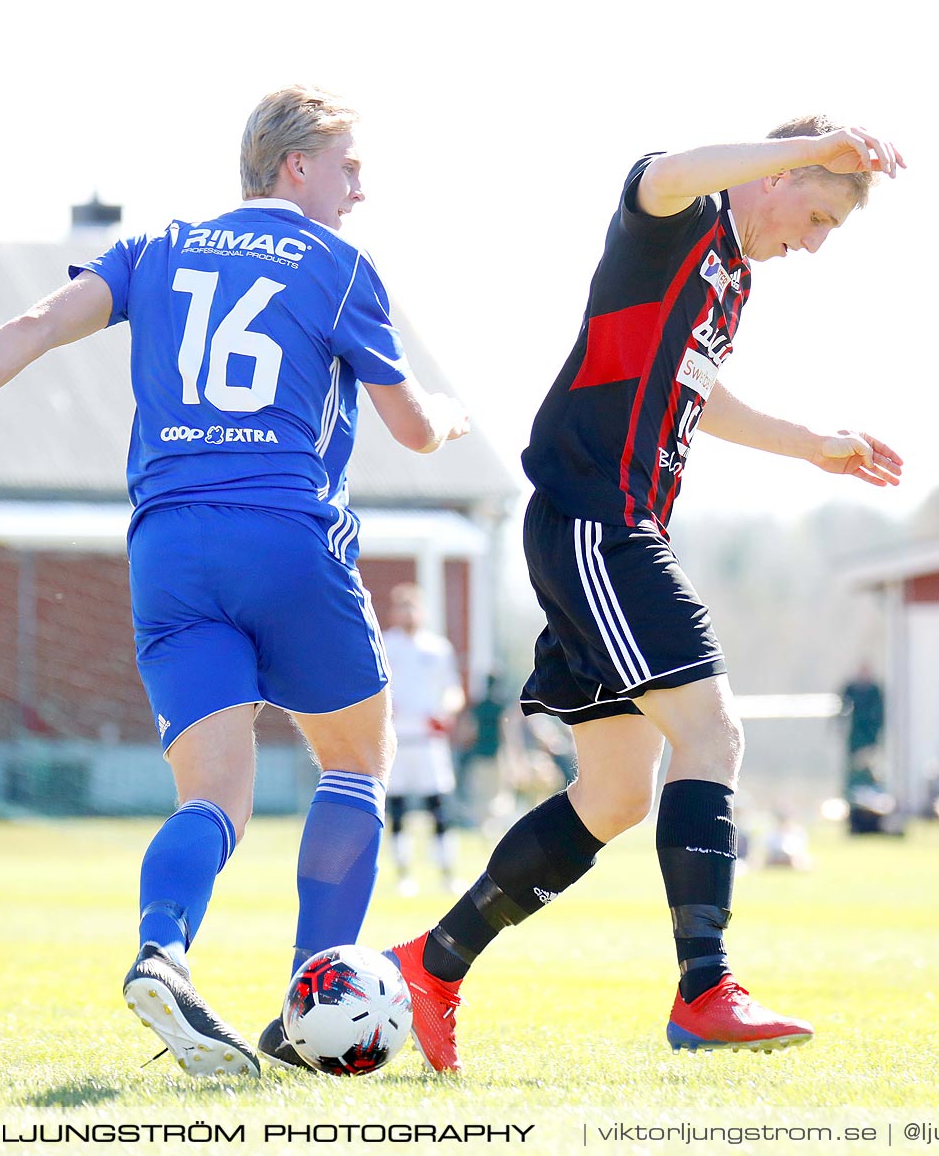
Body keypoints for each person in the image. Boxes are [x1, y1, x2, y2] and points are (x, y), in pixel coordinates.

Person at [0, 85, 469, 1077]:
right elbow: (409, 429)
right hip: (284, 532)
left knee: (214, 799)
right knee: (356, 760)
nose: (360, 187)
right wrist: (448, 417)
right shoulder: (340, 265)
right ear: (294, 165)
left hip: (168, 548)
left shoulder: (159, 246)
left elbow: (36, 322)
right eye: (347, 165)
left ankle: (165, 950)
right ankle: (315, 1001)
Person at [382, 116, 907, 1071]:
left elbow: (698, 393)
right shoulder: (681, 216)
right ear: (781, 173)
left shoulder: (733, 278)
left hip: (606, 531)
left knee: (617, 795)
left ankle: (433, 962)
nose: (817, 242)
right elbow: (660, 171)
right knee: (715, 735)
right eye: (819, 213)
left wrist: (816, 444)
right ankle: (705, 992)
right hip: (597, 523)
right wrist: (806, 134)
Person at [380, 583, 465, 896]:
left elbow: (453, 690)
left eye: (413, 606)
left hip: (430, 740)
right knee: (398, 808)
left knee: (439, 805)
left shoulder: (437, 648)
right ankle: (403, 875)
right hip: (397, 739)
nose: (409, 613)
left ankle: (447, 873)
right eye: (402, 606)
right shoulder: (385, 645)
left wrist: (447, 711)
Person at [837, 661, 885, 766]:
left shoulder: (875, 690)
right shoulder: (851, 689)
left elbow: (880, 713)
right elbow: (843, 708)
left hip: (870, 732)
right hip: (856, 731)